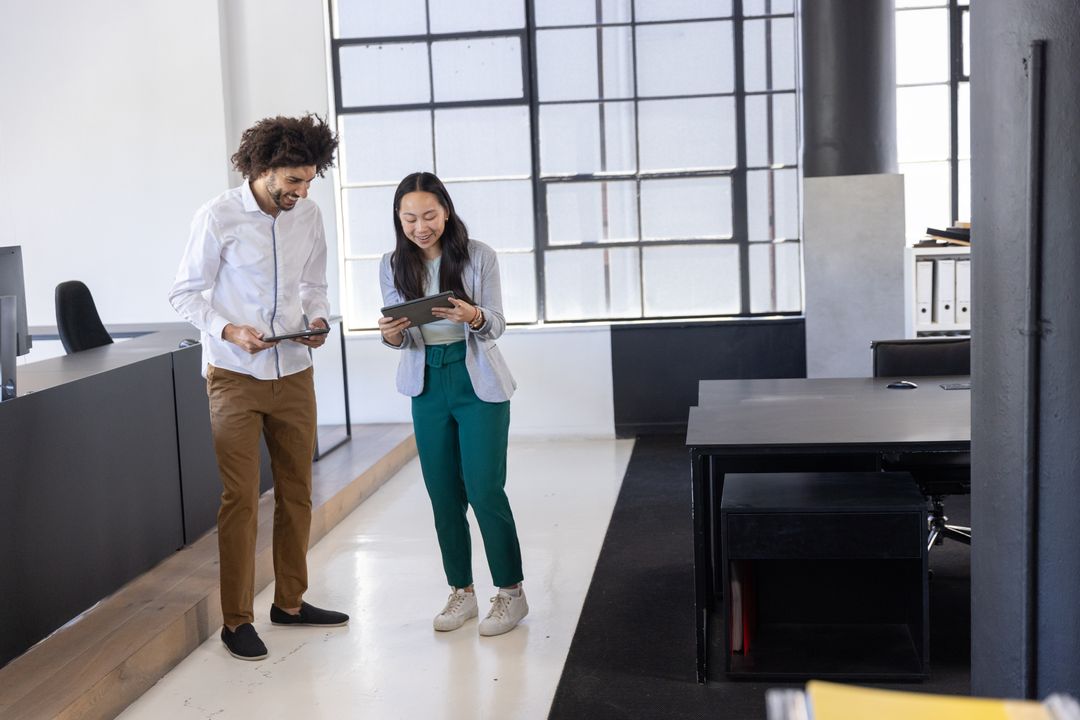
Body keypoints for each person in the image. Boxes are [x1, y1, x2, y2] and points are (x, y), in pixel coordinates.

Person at [169, 114, 349, 661]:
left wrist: (316, 320)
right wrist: (228, 329)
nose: (301, 191)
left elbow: (314, 284)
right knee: (241, 498)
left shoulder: (309, 215)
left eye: (309, 181)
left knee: (298, 491)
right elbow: (184, 294)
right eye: (292, 181)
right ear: (263, 168)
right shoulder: (218, 216)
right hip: (234, 376)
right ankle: (236, 620)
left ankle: (290, 604)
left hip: (294, 370)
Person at [378, 172, 528, 636]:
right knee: (443, 495)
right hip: (426, 383)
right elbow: (397, 335)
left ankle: (511, 593)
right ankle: (461, 592)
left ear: (446, 210)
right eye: (409, 218)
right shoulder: (390, 263)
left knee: (484, 490)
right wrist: (391, 334)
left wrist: (474, 315)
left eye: (429, 215)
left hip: (476, 380)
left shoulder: (478, 256)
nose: (420, 227)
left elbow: (496, 323)